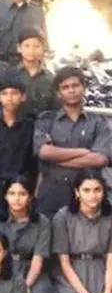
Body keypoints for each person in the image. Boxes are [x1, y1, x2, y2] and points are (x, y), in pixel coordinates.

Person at [33, 66, 112, 218]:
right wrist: (84, 152)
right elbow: (44, 152)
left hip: (89, 198)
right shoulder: (46, 120)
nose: (71, 90)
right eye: (65, 87)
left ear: (84, 87)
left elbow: (100, 158)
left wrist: (57, 160)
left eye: (75, 85)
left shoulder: (99, 123)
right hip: (52, 196)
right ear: (58, 92)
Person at [51, 169, 112, 293]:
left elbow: (111, 258)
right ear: (77, 192)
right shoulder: (63, 217)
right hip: (72, 270)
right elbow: (64, 261)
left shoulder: (110, 217)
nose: (93, 195)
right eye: (86, 190)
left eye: (97, 190)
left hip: (100, 268)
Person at [0, 71, 36, 212]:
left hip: (20, 189)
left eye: (14, 93)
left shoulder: (31, 125)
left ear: (23, 97)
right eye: (5, 93)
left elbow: (34, 162)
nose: (9, 98)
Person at [14, 28, 56, 119]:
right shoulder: (11, 75)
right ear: (19, 48)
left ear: (43, 48)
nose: (31, 50)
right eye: (27, 46)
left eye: (36, 46)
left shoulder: (50, 78)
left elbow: (55, 109)